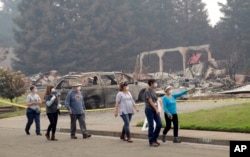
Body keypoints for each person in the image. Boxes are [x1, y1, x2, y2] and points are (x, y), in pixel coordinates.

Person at [144, 79, 162, 147]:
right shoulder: (147, 91)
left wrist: (158, 108)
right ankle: (151, 141)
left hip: (155, 109)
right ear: (151, 83)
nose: (156, 84)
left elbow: (156, 100)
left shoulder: (153, 91)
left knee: (159, 124)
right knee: (151, 125)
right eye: (155, 83)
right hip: (149, 110)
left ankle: (154, 138)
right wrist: (156, 109)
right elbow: (150, 101)